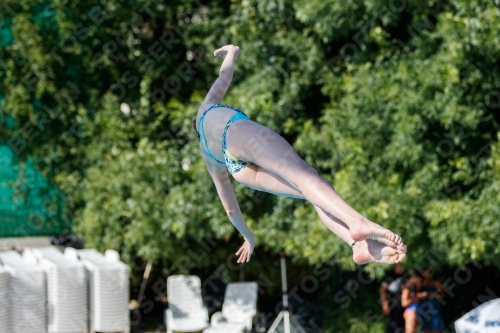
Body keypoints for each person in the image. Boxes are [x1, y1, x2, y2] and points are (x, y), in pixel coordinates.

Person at [193, 44, 407, 264]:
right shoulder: (206, 108)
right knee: (305, 176)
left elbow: (230, 209)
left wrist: (248, 237)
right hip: (236, 133)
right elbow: (225, 75)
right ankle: (358, 222)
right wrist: (233, 52)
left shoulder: (208, 155)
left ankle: (359, 245)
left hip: (237, 168)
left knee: (311, 191)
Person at [380, 263, 407, 333]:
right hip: (393, 306)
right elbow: (383, 290)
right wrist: (385, 303)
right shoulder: (389, 276)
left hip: (405, 307)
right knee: (392, 327)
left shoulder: (407, 275)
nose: (401, 266)